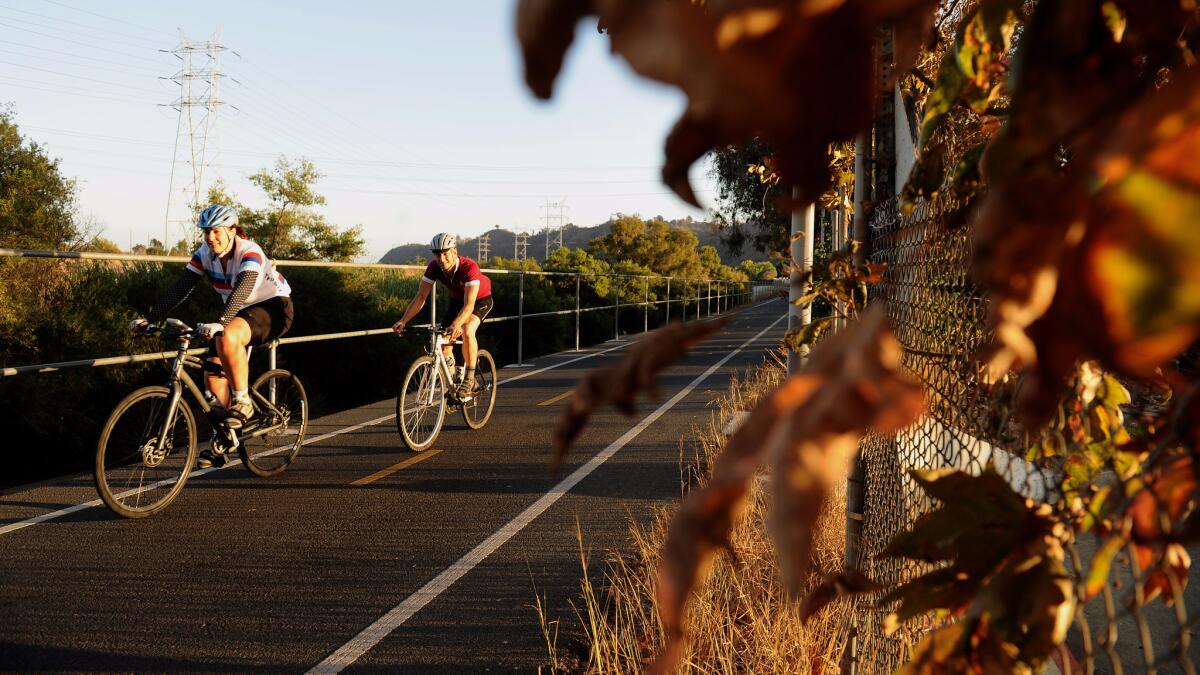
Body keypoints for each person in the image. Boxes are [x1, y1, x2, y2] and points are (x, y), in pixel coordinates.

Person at [131, 204, 294, 468]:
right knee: (212, 376)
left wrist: (221, 322)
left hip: (273, 306)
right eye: (206, 232)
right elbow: (181, 288)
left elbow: (243, 287)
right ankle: (228, 438)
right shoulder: (205, 254)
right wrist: (150, 318)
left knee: (227, 335)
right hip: (238, 311)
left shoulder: (248, 250)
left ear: (232, 231)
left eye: (216, 232)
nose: (210, 238)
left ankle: (244, 402)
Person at [392, 233, 493, 399]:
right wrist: (403, 320)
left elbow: (469, 305)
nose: (442, 259)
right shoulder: (434, 267)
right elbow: (420, 297)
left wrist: (457, 324)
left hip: (480, 300)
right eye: (438, 254)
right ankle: (453, 379)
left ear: (455, 251)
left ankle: (469, 378)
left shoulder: (469, 267)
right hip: (456, 301)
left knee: (467, 329)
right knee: (444, 342)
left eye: (446, 253)